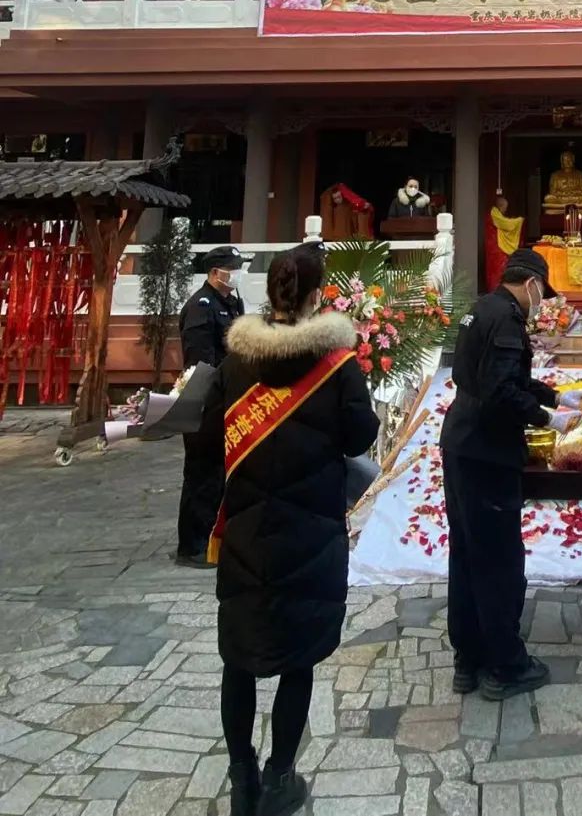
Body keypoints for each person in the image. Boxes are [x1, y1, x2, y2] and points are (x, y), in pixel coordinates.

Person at [200, 243, 379, 816]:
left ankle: (241, 780)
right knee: (296, 659)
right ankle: (281, 778)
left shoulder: (236, 361)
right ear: (316, 296)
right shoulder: (336, 364)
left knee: (240, 657)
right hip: (310, 534)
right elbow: (360, 437)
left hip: (248, 532)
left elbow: (209, 437)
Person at [439, 248, 582, 700]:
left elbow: (495, 377)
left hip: (461, 443)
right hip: (487, 450)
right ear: (532, 285)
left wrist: (556, 396)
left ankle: (469, 659)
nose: (542, 303)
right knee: (499, 561)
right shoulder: (507, 319)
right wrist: (550, 421)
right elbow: (502, 390)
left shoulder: (481, 309)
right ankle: (505, 665)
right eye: (543, 294)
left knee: (466, 555)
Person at [175, 245, 245, 567]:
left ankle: (214, 538)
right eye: (233, 268)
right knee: (202, 475)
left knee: (220, 473)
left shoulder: (231, 303)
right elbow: (200, 363)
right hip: (204, 401)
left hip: (227, 399)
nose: (237, 273)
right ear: (216, 272)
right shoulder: (200, 307)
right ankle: (192, 546)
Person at [485, 193, 524, 292]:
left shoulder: (496, 213)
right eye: (505, 208)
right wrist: (519, 221)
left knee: (500, 268)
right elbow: (506, 224)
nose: (505, 210)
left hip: (496, 245)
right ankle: (496, 290)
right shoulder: (494, 213)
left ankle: (499, 289)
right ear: (500, 206)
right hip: (495, 246)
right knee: (497, 269)